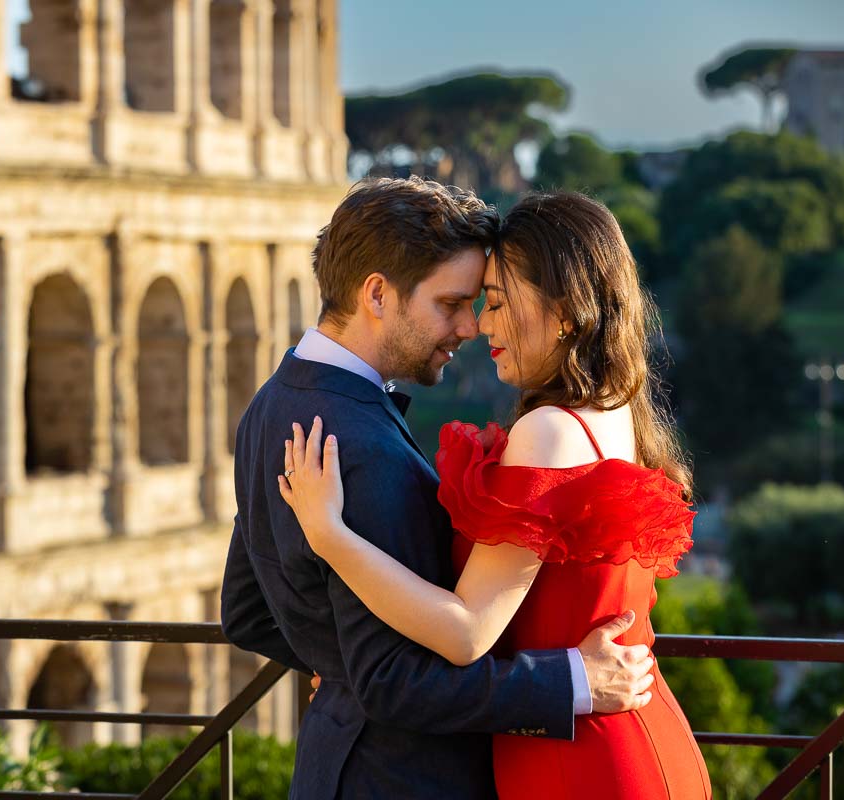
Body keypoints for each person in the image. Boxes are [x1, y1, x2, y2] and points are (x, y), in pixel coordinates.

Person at [221, 178, 657, 800]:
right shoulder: (362, 448)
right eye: (451, 303)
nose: (469, 327)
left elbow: (246, 614)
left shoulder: (269, 407)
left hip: (331, 770)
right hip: (404, 779)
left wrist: (343, 667)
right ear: (377, 294)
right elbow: (396, 681)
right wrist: (570, 682)